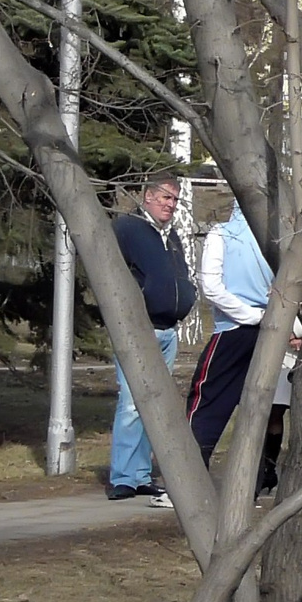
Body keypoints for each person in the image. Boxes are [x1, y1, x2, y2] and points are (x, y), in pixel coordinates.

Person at [181, 201, 297, 503]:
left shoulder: (224, 234)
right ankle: (252, 481)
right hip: (271, 327)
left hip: (235, 330)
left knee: (208, 401)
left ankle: (190, 480)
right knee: (261, 406)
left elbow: (211, 285)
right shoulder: (279, 235)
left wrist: (247, 314)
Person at [106, 174, 196, 501]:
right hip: (137, 330)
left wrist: (189, 292)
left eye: (174, 200)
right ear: (148, 197)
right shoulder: (128, 229)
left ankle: (141, 473)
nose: (170, 205)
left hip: (167, 331)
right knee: (132, 403)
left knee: (154, 404)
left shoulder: (170, 236)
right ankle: (123, 478)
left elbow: (179, 275)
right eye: (165, 198)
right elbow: (110, 273)